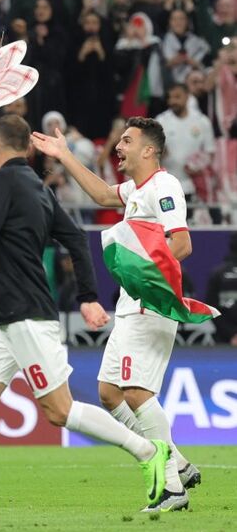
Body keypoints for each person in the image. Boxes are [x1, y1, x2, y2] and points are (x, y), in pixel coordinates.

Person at [0, 115, 172, 528]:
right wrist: (86, 296)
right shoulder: (37, 188)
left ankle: (148, 452)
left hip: (25, 314)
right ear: (28, 147)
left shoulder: (0, 181)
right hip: (4, 316)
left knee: (59, 411)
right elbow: (77, 237)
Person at [31, 115, 200, 512]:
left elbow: (183, 244)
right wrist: (65, 156)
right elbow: (104, 195)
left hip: (150, 300)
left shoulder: (164, 186)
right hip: (130, 302)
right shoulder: (136, 189)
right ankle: (174, 460)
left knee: (138, 392)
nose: (118, 147)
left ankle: (172, 487)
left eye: (127, 140)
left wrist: (147, 276)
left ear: (149, 150)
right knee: (110, 393)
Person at [205, 233, 237, 346]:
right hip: (226, 339)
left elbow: (211, 308)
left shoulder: (217, 273)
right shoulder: (218, 274)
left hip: (223, 340)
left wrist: (231, 334)